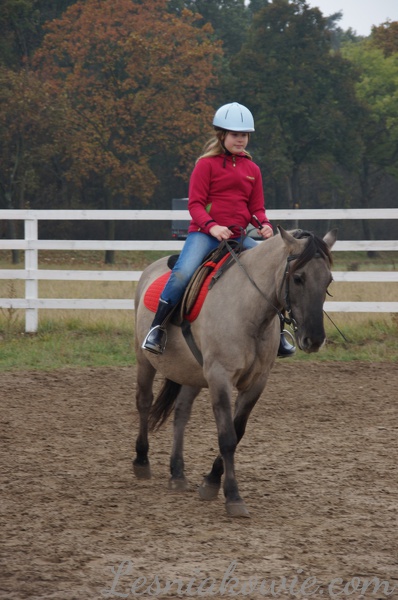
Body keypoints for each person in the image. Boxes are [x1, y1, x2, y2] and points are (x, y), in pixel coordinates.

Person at [142, 101, 295, 358]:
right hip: (204, 235)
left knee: (274, 273)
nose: (241, 140)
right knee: (182, 273)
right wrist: (212, 228)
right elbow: (196, 205)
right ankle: (157, 328)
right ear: (222, 135)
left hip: (238, 237)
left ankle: (278, 335)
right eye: (235, 135)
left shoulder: (252, 169)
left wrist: (264, 225)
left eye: (244, 135)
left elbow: (256, 208)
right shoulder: (205, 165)